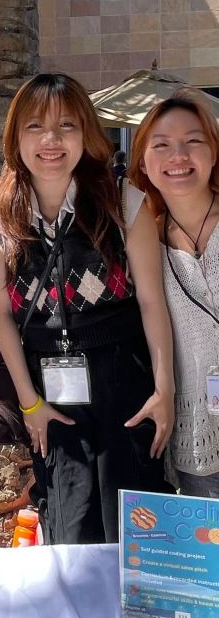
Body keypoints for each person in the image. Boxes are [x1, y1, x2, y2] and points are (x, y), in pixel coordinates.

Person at [0, 73, 174, 545]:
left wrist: (164, 389)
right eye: (35, 127)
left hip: (125, 378)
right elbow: (1, 315)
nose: (51, 140)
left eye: (66, 125)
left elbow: (151, 301)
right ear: (15, 137)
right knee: (69, 517)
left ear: (86, 133)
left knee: (136, 519)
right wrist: (29, 403)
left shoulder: (124, 201)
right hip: (50, 388)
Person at [130, 93, 219, 498]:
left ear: (214, 151)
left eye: (194, 141)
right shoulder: (141, 241)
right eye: (161, 144)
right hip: (198, 434)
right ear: (144, 162)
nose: (178, 155)